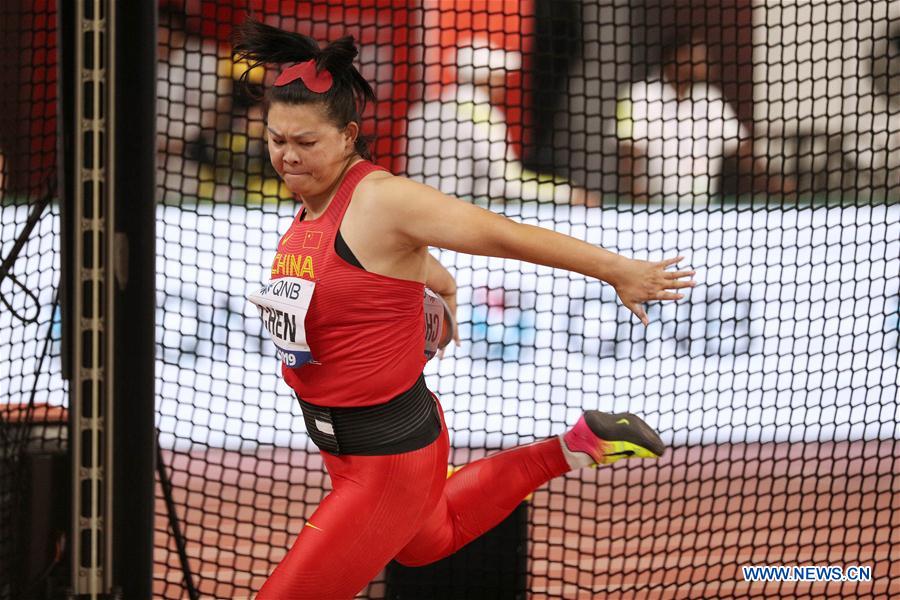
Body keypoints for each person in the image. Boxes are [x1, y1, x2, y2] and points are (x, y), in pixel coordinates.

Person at [233, 19, 695, 599]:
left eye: (306, 143)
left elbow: (502, 233)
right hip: (348, 446)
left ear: (349, 136)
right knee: (428, 541)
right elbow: (390, 265)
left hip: (386, 457)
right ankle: (577, 447)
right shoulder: (312, 201)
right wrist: (441, 286)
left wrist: (618, 269)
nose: (287, 157)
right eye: (277, 140)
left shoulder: (381, 199)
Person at [406, 36, 599, 206]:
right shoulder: (482, 115)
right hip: (459, 224)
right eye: (499, 76)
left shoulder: (422, 112)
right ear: (484, 78)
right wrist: (568, 193)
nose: (505, 83)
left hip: (418, 217)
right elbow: (508, 182)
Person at [617, 32, 792, 205]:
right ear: (676, 57)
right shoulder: (639, 96)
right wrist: (636, 198)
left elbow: (742, 151)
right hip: (656, 213)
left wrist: (774, 185)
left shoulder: (712, 100)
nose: (705, 60)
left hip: (703, 216)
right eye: (696, 53)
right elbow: (629, 155)